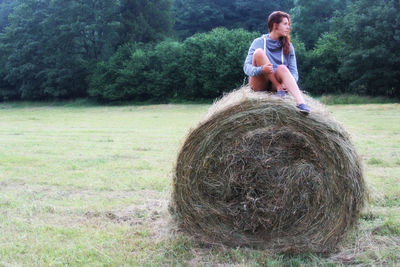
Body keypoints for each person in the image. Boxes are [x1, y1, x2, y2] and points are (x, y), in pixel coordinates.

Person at [243, 11, 310, 114]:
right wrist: (261, 69)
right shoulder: (258, 42)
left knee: (282, 68)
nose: (288, 27)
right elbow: (246, 68)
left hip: (278, 86)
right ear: (275, 25)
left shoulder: (289, 46)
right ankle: (278, 87)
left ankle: (301, 104)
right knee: (259, 53)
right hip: (260, 83)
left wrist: (284, 83)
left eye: (288, 24)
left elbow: (294, 73)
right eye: (285, 24)